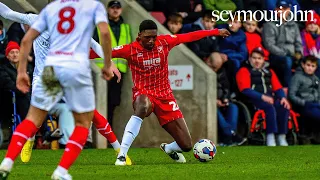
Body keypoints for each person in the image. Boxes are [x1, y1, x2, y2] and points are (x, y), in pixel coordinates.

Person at [0, 2, 131, 165]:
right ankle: (30, 140)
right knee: (36, 119)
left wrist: (109, 62)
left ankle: (119, 151)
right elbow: (8, 13)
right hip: (44, 78)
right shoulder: (36, 20)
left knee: (92, 114)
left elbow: (93, 43)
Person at [92, 19, 230, 165]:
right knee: (142, 105)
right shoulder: (130, 49)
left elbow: (189, 36)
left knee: (186, 145)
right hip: (144, 94)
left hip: (165, 97)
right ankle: (122, 154)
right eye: (147, 38)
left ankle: (169, 148)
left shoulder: (164, 42)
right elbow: (100, 53)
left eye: (154, 37)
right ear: (139, 36)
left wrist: (215, 31)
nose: (151, 41)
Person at [236, 47, 291, 146]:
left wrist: (283, 98)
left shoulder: (270, 72)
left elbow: (278, 87)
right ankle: (271, 137)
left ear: (263, 60)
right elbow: (244, 89)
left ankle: (281, 136)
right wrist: (262, 97)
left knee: (283, 106)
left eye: (259, 58)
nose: (257, 61)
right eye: (254, 58)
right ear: (250, 59)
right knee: (269, 108)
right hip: (253, 99)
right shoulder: (244, 70)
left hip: (269, 98)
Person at [91, 0, 132, 126]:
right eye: (113, 7)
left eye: (118, 7)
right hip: (102, 70)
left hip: (119, 71)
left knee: (113, 103)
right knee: (101, 102)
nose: (115, 10)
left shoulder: (125, 27)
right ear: (108, 10)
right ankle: (102, 131)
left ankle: (109, 130)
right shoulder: (100, 26)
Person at [289, 55, 320, 136]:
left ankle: (315, 135)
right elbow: (291, 95)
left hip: (315, 104)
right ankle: (307, 135)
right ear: (303, 65)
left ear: (316, 67)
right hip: (302, 105)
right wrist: (304, 103)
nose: (310, 68)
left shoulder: (316, 79)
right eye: (308, 65)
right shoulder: (297, 77)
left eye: (313, 66)